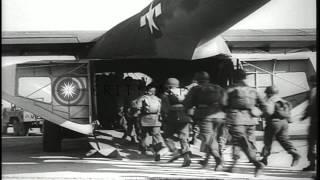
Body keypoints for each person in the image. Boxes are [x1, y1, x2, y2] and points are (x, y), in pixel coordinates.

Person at [225, 69, 267, 177]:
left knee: (240, 141)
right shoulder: (253, 90)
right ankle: (234, 165)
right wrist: (257, 112)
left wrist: (227, 111)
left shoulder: (230, 89)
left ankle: (256, 163)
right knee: (247, 141)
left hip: (236, 118)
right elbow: (264, 105)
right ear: (245, 77)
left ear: (233, 77)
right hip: (251, 119)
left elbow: (223, 103)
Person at [183, 71, 226, 171]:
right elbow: (225, 101)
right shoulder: (218, 87)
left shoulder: (196, 89)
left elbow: (187, 103)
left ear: (197, 80)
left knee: (208, 139)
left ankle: (218, 159)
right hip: (220, 116)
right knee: (214, 138)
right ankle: (207, 160)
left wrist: (189, 112)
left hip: (205, 116)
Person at [260, 86, 301, 167]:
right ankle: (294, 153)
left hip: (273, 123)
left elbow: (268, 112)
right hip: (284, 123)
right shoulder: (282, 100)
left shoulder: (271, 100)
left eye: (267, 93)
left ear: (269, 93)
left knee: (267, 141)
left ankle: (264, 159)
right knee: (284, 140)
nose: (266, 94)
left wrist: (262, 113)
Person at [161, 78, 193, 167]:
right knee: (183, 138)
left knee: (167, 136)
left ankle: (175, 152)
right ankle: (186, 157)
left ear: (168, 85)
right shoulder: (185, 92)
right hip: (185, 118)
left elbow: (165, 109)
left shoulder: (166, 94)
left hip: (172, 118)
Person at [135, 84, 166, 161]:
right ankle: (157, 151)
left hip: (145, 119)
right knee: (156, 135)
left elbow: (137, 108)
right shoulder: (158, 99)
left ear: (146, 91)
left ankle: (143, 150)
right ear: (154, 92)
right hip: (156, 119)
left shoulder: (142, 98)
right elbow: (162, 109)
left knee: (143, 135)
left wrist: (135, 114)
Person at [301, 74, 317, 171]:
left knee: (311, 143)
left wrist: (304, 116)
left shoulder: (312, 92)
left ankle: (312, 164)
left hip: (315, 123)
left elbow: (310, 107)